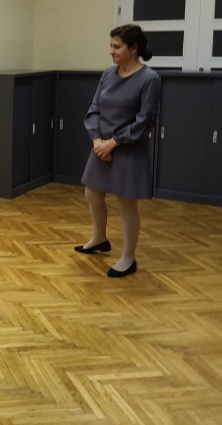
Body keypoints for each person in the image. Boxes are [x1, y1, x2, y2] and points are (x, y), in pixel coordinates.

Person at [75, 24, 161, 278]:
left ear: (133, 49)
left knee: (126, 202)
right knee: (92, 193)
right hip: (101, 145)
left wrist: (113, 142)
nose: (111, 51)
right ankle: (99, 238)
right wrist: (97, 140)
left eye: (117, 46)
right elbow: (94, 107)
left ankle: (128, 257)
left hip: (127, 147)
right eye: (111, 46)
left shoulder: (149, 79)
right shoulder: (108, 73)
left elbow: (145, 119)